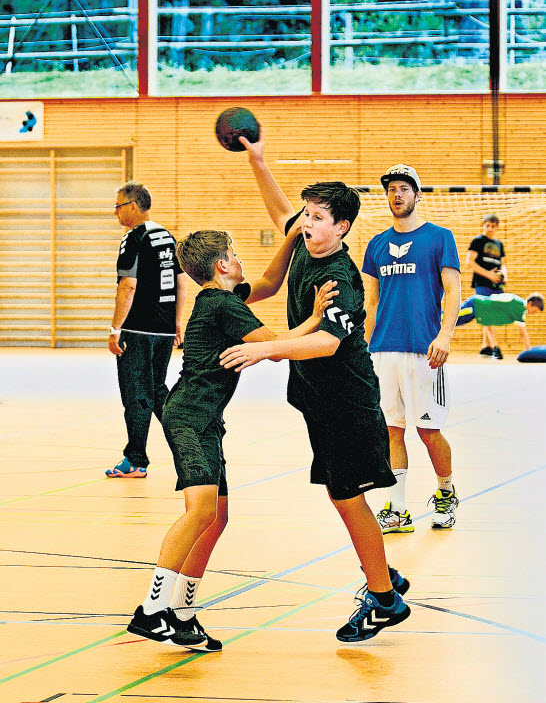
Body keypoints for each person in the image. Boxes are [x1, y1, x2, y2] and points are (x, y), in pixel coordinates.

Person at [219, 130, 412, 645]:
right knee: (339, 492)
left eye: (317, 217)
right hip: (317, 400)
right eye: (307, 214)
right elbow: (278, 208)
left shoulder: (341, 279)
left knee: (349, 498)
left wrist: (266, 347)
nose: (305, 223)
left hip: (346, 403)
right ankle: (382, 574)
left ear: (341, 227)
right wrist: (257, 161)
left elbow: (327, 342)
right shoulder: (305, 241)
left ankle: (384, 600)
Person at [127, 227, 337, 650]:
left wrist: (291, 238)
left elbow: (267, 284)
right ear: (223, 265)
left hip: (203, 418)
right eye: (236, 252)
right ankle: (150, 610)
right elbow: (274, 345)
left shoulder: (219, 300)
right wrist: (315, 319)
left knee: (216, 517)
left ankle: (183, 615)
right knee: (200, 511)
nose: (241, 259)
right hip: (189, 417)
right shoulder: (221, 303)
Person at [361, 164, 461, 534]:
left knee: (428, 430)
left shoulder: (439, 237)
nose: (397, 194)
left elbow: (452, 289)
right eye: (391, 189)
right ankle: (397, 508)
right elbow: (371, 301)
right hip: (383, 350)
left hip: (424, 349)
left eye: (404, 188)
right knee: (391, 429)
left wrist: (445, 336)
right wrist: (365, 347)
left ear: (417, 195)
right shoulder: (375, 245)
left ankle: (446, 493)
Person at [106, 181, 186, 478]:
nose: (116, 213)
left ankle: (135, 460)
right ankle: (188, 450)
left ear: (134, 206)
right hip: (164, 330)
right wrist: (177, 320)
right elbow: (181, 281)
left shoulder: (134, 238)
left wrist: (115, 329)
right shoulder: (167, 237)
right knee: (157, 391)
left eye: (118, 206)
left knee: (136, 395)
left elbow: (128, 285)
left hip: (138, 330)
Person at [466, 214, 507, 359]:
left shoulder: (499, 244)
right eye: (487, 225)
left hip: (496, 284)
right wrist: (488, 275)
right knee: (486, 313)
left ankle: (485, 346)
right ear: (483, 225)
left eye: (493, 226)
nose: (490, 228)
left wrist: (503, 275)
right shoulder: (478, 241)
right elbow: (470, 262)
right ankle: (495, 346)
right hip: (482, 283)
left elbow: (502, 264)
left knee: (492, 314)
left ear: (497, 227)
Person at [456, 292, 544, 351]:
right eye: (534, 311)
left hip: (477, 312)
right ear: (530, 303)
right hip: (475, 304)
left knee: (457, 322)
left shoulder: (520, 313)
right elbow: (523, 333)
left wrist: (495, 346)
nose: (533, 314)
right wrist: (528, 351)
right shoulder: (513, 300)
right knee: (451, 317)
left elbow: (489, 322)